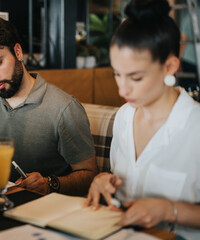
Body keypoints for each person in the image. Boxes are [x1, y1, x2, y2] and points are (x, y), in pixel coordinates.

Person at [84, 0, 200, 238]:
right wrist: (102, 181)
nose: (122, 90)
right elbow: (122, 185)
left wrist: (169, 210)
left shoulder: (195, 128)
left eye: (135, 78)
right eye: (117, 74)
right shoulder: (125, 116)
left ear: (169, 67)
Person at [0, 17, 97, 196]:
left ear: (18, 52)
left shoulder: (64, 108)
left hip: (45, 210)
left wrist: (50, 184)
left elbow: (90, 176)